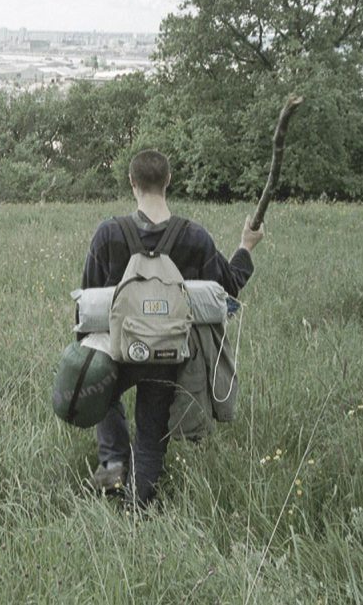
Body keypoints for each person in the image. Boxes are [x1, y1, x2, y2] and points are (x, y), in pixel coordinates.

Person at [82, 149, 264, 507]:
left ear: (132, 183)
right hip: (168, 353)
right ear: (168, 181)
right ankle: (138, 507)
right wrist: (246, 246)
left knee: (105, 399)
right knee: (151, 433)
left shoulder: (108, 233)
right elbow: (227, 290)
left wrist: (86, 361)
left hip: (116, 349)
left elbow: (88, 301)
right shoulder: (194, 237)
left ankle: (113, 468)